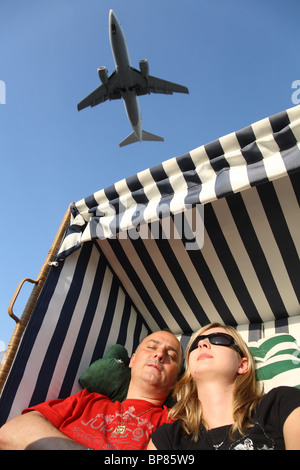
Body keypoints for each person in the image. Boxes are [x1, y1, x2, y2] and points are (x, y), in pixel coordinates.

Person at [0, 330, 183, 450]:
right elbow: (10, 433)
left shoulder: (174, 423)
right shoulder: (86, 401)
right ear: (132, 361)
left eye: (171, 355)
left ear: (176, 381)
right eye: (151, 347)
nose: (159, 354)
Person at [148, 323, 300, 450]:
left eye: (219, 339)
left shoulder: (281, 404)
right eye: (195, 344)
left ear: (242, 365)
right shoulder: (168, 438)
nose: (202, 344)